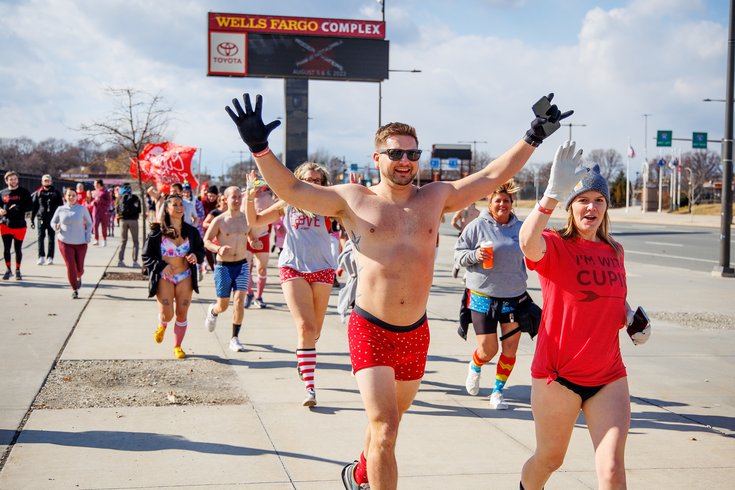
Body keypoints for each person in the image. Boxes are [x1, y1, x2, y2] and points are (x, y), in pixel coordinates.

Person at [225, 92, 571, 489]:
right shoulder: (351, 200)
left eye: (411, 153)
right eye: (395, 154)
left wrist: (534, 135)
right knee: (385, 429)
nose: (405, 161)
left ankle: (358, 474)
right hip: (370, 329)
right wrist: (259, 148)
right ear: (378, 158)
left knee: (386, 428)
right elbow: (291, 190)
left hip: (415, 333)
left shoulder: (435, 198)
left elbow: (491, 176)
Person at [517, 141, 652, 490]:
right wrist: (549, 195)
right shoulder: (554, 244)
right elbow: (527, 242)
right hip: (557, 376)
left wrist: (631, 318)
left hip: (608, 376)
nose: (592, 207)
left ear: (607, 207)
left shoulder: (615, 250)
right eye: (583, 200)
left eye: (599, 200)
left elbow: (613, 299)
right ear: (570, 206)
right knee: (549, 459)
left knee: (611, 470)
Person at [245, 164, 337, 407]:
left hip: (323, 268)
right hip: (292, 267)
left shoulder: (329, 203)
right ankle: (310, 387)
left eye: (318, 180)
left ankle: (303, 354)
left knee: (315, 331)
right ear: (298, 180)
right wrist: (249, 197)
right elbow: (254, 220)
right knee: (305, 328)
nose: (313, 183)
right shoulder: (287, 202)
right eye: (308, 179)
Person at [454, 180, 534, 410]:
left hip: (514, 296)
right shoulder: (477, 226)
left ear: (512, 203)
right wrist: (475, 255)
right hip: (482, 295)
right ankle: (475, 366)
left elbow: (536, 250)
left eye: (506, 201)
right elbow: (459, 256)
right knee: (489, 349)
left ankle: (497, 392)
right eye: (497, 201)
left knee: (510, 348)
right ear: (490, 204)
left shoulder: (520, 228)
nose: (502, 204)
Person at [142, 194, 204, 359]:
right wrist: (162, 266)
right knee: (167, 315)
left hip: (185, 276)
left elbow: (200, 249)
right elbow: (146, 256)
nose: (179, 208)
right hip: (165, 278)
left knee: (182, 313)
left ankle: (177, 346)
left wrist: (195, 256)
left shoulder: (191, 231)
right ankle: (162, 325)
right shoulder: (157, 233)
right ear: (167, 209)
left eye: (181, 205)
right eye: (175, 205)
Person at [202, 185, 257, 353]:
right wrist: (218, 249)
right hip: (223, 267)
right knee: (223, 306)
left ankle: (234, 338)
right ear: (225, 199)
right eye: (234, 197)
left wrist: (255, 242)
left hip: (241, 265)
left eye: (239, 196)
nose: (237, 200)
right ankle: (213, 310)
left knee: (239, 302)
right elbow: (206, 240)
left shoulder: (247, 219)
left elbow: (251, 236)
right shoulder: (219, 220)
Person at [50, 188, 93, 298]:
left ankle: (78, 277)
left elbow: (89, 223)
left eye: (73, 195)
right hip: (65, 241)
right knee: (71, 266)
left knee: (80, 269)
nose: (71, 197)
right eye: (69, 195)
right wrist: (56, 227)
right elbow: (53, 222)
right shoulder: (60, 209)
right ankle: (74, 289)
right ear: (65, 197)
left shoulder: (82, 209)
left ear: (77, 197)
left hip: (81, 242)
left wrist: (88, 235)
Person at [244, 179, 275, 309]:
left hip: (262, 235)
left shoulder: (267, 198)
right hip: (247, 236)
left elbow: (275, 214)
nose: (255, 188)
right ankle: (249, 293)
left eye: (258, 185)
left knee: (261, 268)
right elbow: (242, 217)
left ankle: (259, 296)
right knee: (247, 267)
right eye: (253, 185)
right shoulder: (244, 197)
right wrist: (250, 237)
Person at [0, 171, 33, 280]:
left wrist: (18, 207)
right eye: (11, 179)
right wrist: (0, 211)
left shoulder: (24, 192)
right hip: (6, 224)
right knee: (6, 248)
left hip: (19, 224)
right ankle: (8, 269)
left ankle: (18, 270)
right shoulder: (2, 193)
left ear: (17, 180)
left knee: (18, 249)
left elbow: (30, 207)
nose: (13, 181)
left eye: (15, 179)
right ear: (6, 181)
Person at [31, 174, 63, 266]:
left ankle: (50, 257)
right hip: (41, 218)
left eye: (48, 180)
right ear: (42, 182)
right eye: (45, 180)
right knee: (40, 237)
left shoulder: (56, 193)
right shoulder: (38, 193)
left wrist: (60, 220)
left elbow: (61, 207)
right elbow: (35, 207)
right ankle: (41, 256)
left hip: (52, 219)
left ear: (51, 182)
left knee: (51, 238)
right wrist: (32, 219)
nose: (47, 182)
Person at [116, 183, 141, 268]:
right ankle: (135, 261)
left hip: (123, 220)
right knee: (135, 241)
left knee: (123, 241)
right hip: (133, 220)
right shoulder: (135, 198)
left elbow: (117, 210)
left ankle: (120, 260)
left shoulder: (120, 198)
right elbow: (139, 210)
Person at [91, 179, 111, 246]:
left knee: (104, 226)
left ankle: (104, 240)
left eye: (95, 184)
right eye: (94, 184)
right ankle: (96, 240)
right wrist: (92, 202)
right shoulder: (94, 192)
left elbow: (109, 202)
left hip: (103, 212)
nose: (94, 185)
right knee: (95, 226)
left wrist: (101, 200)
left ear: (99, 184)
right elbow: (91, 201)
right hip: (96, 211)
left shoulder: (105, 192)